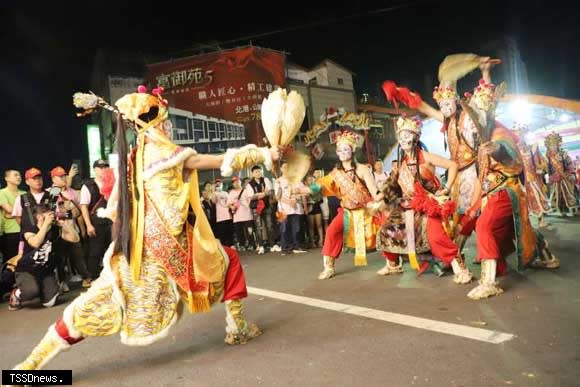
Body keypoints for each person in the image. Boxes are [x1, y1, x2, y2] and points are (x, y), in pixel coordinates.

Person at [9, 86, 281, 373]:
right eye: (166, 119)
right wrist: (263, 153)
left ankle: (29, 368)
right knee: (225, 262)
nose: (169, 126)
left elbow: (115, 205)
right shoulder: (164, 151)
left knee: (96, 304)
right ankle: (237, 327)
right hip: (167, 245)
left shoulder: (134, 158)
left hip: (138, 244)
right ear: (155, 121)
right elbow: (213, 161)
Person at [461, 80, 560, 300]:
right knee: (515, 229)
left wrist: (496, 150)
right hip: (492, 191)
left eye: (480, 110)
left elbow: (508, 154)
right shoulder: (483, 135)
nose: (476, 116)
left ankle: (489, 282)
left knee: (485, 225)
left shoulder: (499, 133)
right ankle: (545, 253)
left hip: (506, 190)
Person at [374, 115, 472, 283]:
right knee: (387, 230)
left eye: (407, 135)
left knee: (436, 237)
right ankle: (393, 264)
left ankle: (460, 268)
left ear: (416, 137)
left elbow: (453, 165)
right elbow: (391, 185)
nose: (403, 139)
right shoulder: (401, 164)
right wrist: (379, 198)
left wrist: (446, 188)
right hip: (407, 207)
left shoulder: (426, 157)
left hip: (428, 204)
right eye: (401, 136)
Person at [308, 131, 382, 279]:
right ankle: (329, 266)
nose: (343, 153)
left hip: (366, 211)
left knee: (385, 231)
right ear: (337, 152)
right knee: (331, 231)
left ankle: (394, 262)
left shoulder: (362, 169)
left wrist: (385, 197)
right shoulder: (336, 173)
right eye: (340, 150)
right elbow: (321, 187)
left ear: (353, 150)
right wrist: (303, 189)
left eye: (346, 149)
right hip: (347, 212)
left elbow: (375, 192)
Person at [8, 204, 80, 311]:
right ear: (39, 217)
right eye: (48, 215)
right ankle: (17, 292)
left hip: (45, 270)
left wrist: (65, 225)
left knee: (49, 303)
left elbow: (75, 239)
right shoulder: (29, 229)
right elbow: (35, 243)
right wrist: (45, 224)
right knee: (31, 291)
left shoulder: (55, 229)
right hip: (27, 270)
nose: (51, 217)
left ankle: (42, 290)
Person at [50, 166, 91, 289]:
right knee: (60, 258)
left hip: (72, 229)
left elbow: (80, 211)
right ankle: (62, 282)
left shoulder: (72, 192)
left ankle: (86, 278)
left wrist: (82, 228)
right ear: (53, 179)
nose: (63, 178)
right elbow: (49, 212)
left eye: (64, 175)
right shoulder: (50, 192)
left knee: (78, 255)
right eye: (60, 176)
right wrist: (65, 213)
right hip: (58, 231)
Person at [79, 160, 113, 279]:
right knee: (95, 251)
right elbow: (83, 206)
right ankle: (93, 277)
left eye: (105, 167)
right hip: (96, 223)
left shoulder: (111, 183)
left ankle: (110, 275)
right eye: (100, 167)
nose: (103, 169)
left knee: (111, 249)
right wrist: (88, 225)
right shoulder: (88, 186)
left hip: (110, 221)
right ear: (95, 169)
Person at [274, 162, 308, 255]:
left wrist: (303, 205)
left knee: (296, 228)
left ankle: (296, 246)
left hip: (296, 208)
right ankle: (285, 248)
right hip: (282, 209)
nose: (286, 169)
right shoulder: (278, 181)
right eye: (284, 167)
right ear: (281, 169)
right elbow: (278, 196)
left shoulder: (296, 179)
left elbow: (303, 192)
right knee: (283, 228)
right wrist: (289, 202)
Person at [246, 165, 279, 254]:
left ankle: (272, 245)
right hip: (256, 207)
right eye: (256, 172)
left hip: (267, 206)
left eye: (259, 171)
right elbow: (251, 196)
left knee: (270, 225)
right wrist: (263, 193)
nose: (258, 173)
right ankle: (261, 246)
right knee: (258, 227)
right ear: (252, 173)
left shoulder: (266, 180)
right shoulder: (249, 184)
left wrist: (259, 194)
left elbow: (269, 192)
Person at [544, 131, 578, 216]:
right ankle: (562, 211)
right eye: (551, 145)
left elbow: (570, 164)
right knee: (558, 196)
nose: (553, 147)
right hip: (555, 179)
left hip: (565, 177)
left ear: (558, 145)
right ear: (548, 146)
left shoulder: (563, 154)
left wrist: (571, 174)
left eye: (555, 145)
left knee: (569, 193)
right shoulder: (547, 157)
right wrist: (550, 176)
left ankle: (574, 210)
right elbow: (547, 169)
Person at [0, 169, 24, 263]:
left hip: (25, 231)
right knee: (11, 261)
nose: (19, 177)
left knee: (24, 260)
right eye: (15, 175)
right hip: (10, 232)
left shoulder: (24, 193)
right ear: (7, 178)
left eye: (19, 175)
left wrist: (12, 215)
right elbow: (9, 209)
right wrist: (22, 213)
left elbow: (31, 212)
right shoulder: (2, 192)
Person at [228, 176, 255, 251]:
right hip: (237, 216)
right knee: (239, 232)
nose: (236, 183)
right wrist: (232, 207)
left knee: (249, 231)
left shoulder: (246, 190)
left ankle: (251, 244)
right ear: (233, 184)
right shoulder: (231, 193)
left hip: (247, 214)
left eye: (237, 181)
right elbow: (228, 204)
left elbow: (250, 200)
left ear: (240, 182)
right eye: (234, 182)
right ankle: (242, 245)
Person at [212, 179, 234, 247]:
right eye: (217, 185)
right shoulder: (214, 193)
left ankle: (231, 245)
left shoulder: (226, 193)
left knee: (230, 231)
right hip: (220, 217)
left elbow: (230, 202)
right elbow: (213, 201)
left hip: (228, 215)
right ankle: (224, 246)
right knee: (222, 233)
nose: (219, 186)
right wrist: (213, 191)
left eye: (220, 184)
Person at [305, 175, 324, 248]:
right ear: (306, 181)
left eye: (311, 179)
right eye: (309, 180)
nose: (310, 181)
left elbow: (320, 198)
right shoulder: (305, 188)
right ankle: (312, 242)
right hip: (309, 207)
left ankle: (321, 241)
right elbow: (304, 198)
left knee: (319, 225)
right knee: (311, 226)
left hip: (316, 206)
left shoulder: (316, 188)